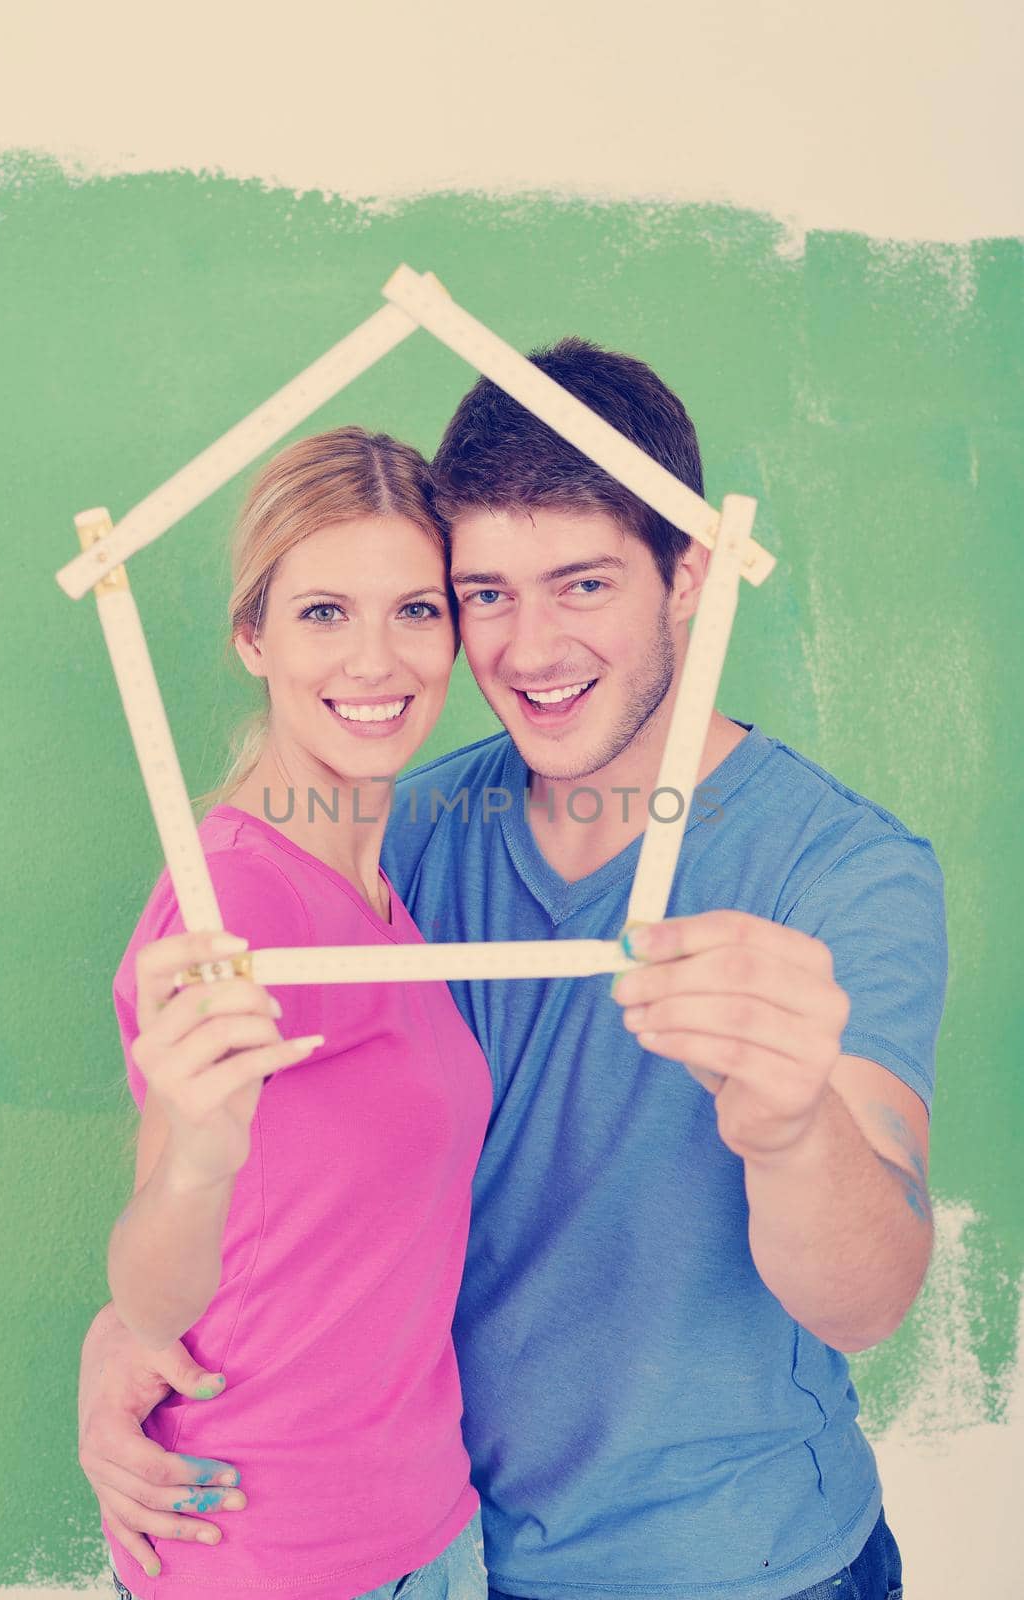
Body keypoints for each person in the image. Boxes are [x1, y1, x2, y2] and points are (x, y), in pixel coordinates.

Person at [79, 340, 945, 1600]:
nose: (528, 647)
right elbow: (271, 1182)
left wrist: (793, 1125)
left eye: (582, 583)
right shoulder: (397, 836)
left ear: (687, 574)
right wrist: (132, 1331)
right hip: (455, 1555)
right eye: (483, 592)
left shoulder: (842, 868)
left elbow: (872, 1294)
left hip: (746, 1567)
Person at [98, 426, 492, 1600]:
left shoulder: (382, 883)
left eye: (416, 610)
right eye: (324, 612)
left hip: (432, 1532)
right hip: (268, 1558)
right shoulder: (234, 904)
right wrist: (195, 1164)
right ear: (251, 632)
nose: (377, 658)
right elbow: (156, 1295)